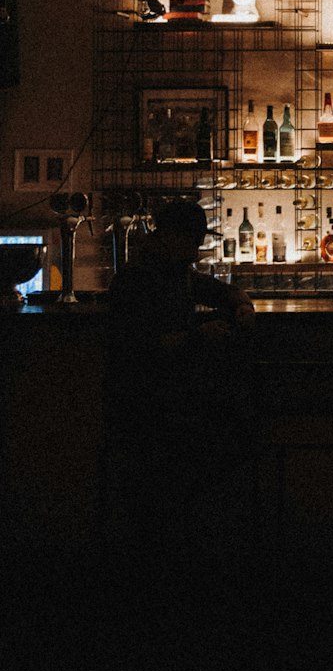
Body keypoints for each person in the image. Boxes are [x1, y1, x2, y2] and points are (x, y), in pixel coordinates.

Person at [106, 198, 257, 577]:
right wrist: (198, 336)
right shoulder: (137, 279)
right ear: (170, 238)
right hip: (151, 407)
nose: (194, 253)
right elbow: (139, 348)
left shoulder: (173, 272)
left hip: (170, 402)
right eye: (192, 243)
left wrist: (239, 300)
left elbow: (213, 289)